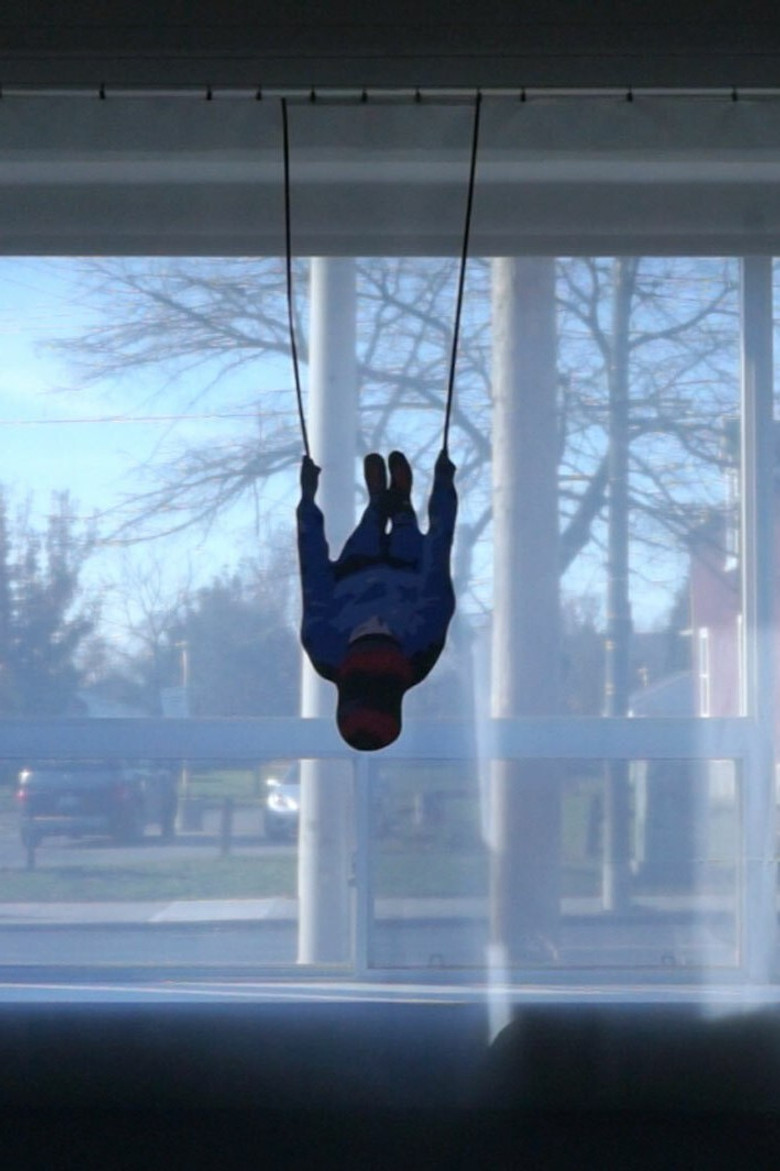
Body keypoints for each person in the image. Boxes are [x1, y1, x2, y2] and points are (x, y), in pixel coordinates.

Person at [297, 448, 457, 750]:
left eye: (364, 636)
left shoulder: (324, 644)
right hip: (406, 566)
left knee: (369, 535)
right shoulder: (420, 649)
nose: (376, 622)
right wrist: (444, 486)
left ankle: (379, 506)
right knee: (407, 536)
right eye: (385, 635)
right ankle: (397, 506)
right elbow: (437, 555)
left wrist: (307, 502)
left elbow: (313, 566)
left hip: (358, 569)